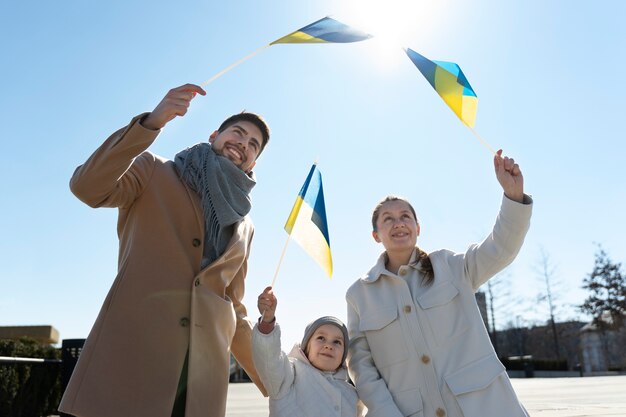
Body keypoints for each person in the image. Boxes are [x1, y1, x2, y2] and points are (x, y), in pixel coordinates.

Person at [59, 84, 270, 417]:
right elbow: (87, 187)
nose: (243, 143)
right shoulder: (154, 171)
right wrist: (151, 124)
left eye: (253, 144)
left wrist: (274, 380)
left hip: (199, 385)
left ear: (254, 160)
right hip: (133, 360)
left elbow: (233, 307)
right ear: (215, 134)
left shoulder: (246, 227)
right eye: (238, 133)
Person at [345, 150, 533, 417]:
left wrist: (513, 197)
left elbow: (500, 248)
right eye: (388, 219)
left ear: (418, 228)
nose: (398, 223)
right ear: (376, 235)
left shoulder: (450, 266)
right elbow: (362, 368)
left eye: (405, 217)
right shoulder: (359, 295)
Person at [253, 286, 364, 417]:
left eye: (337, 342)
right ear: (306, 347)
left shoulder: (352, 394)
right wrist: (267, 322)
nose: (328, 345)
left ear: (344, 355)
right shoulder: (290, 376)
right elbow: (269, 360)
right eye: (321, 338)